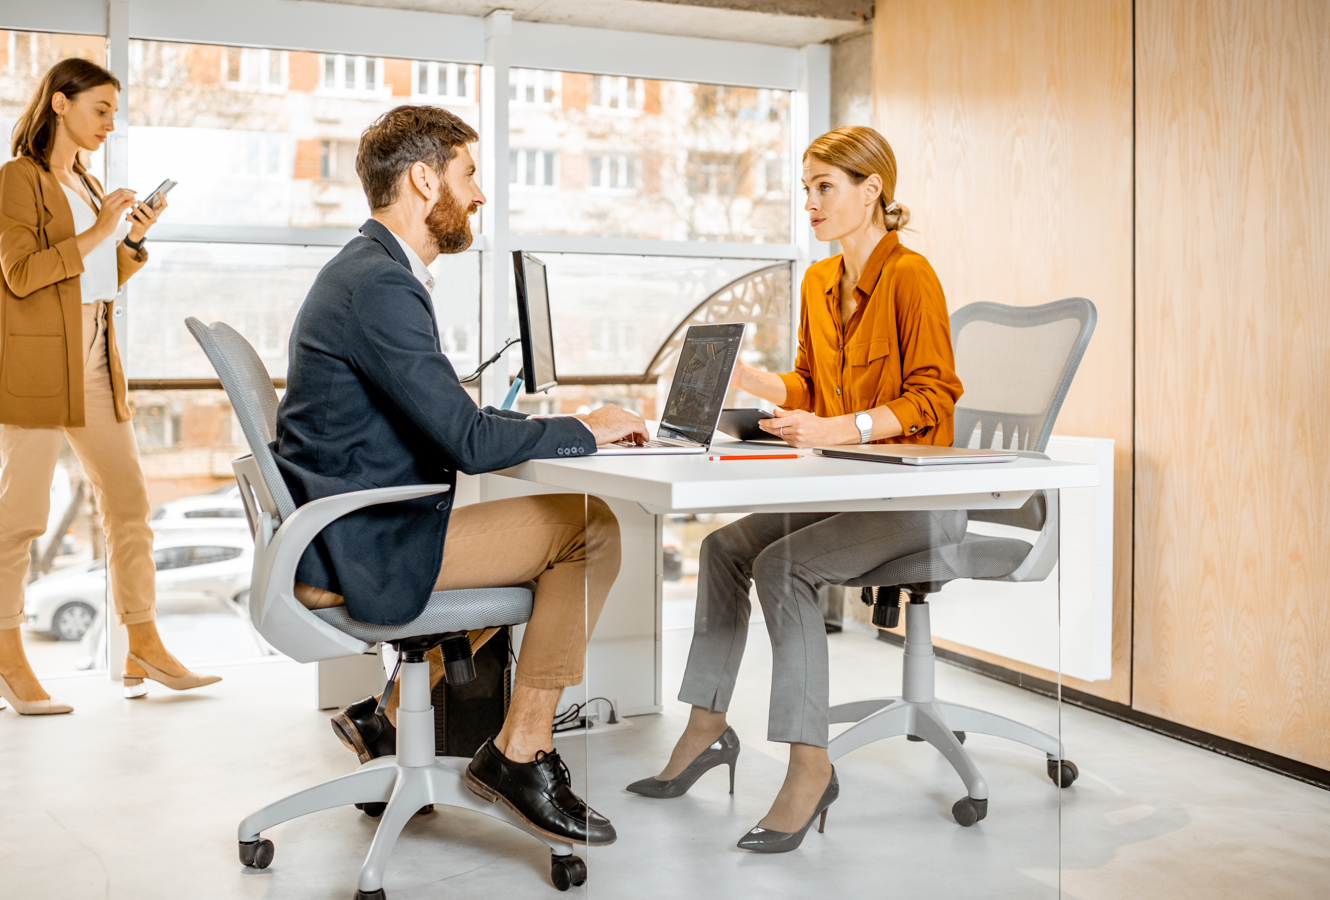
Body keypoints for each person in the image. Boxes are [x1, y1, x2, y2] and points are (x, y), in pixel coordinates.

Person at [274, 105, 649, 846]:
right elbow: (468, 442)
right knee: (588, 530)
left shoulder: (369, 272)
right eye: (469, 174)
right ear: (423, 178)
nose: (479, 195)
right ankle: (521, 753)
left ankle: (382, 714)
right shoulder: (381, 285)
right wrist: (585, 427)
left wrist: (548, 427)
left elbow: (447, 421)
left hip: (346, 531)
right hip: (361, 546)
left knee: (539, 547)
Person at [626, 126, 966, 852]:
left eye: (824, 188)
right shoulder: (819, 281)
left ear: (871, 189)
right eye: (805, 189)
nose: (809, 203)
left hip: (912, 501)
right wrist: (756, 383)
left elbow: (934, 401)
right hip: (845, 486)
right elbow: (810, 382)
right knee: (723, 549)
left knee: (784, 567)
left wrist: (844, 429)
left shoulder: (912, 277)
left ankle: (810, 767)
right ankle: (708, 725)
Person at [0, 58, 220, 715]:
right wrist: (99, 231)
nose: (109, 123)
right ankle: (9, 655)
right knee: (22, 517)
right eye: (100, 108)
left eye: (114, 111)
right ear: (60, 104)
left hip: (96, 350)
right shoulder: (18, 179)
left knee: (129, 504)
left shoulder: (88, 184)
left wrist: (127, 243)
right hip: (37, 362)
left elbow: (95, 278)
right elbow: (19, 274)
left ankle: (142, 643)